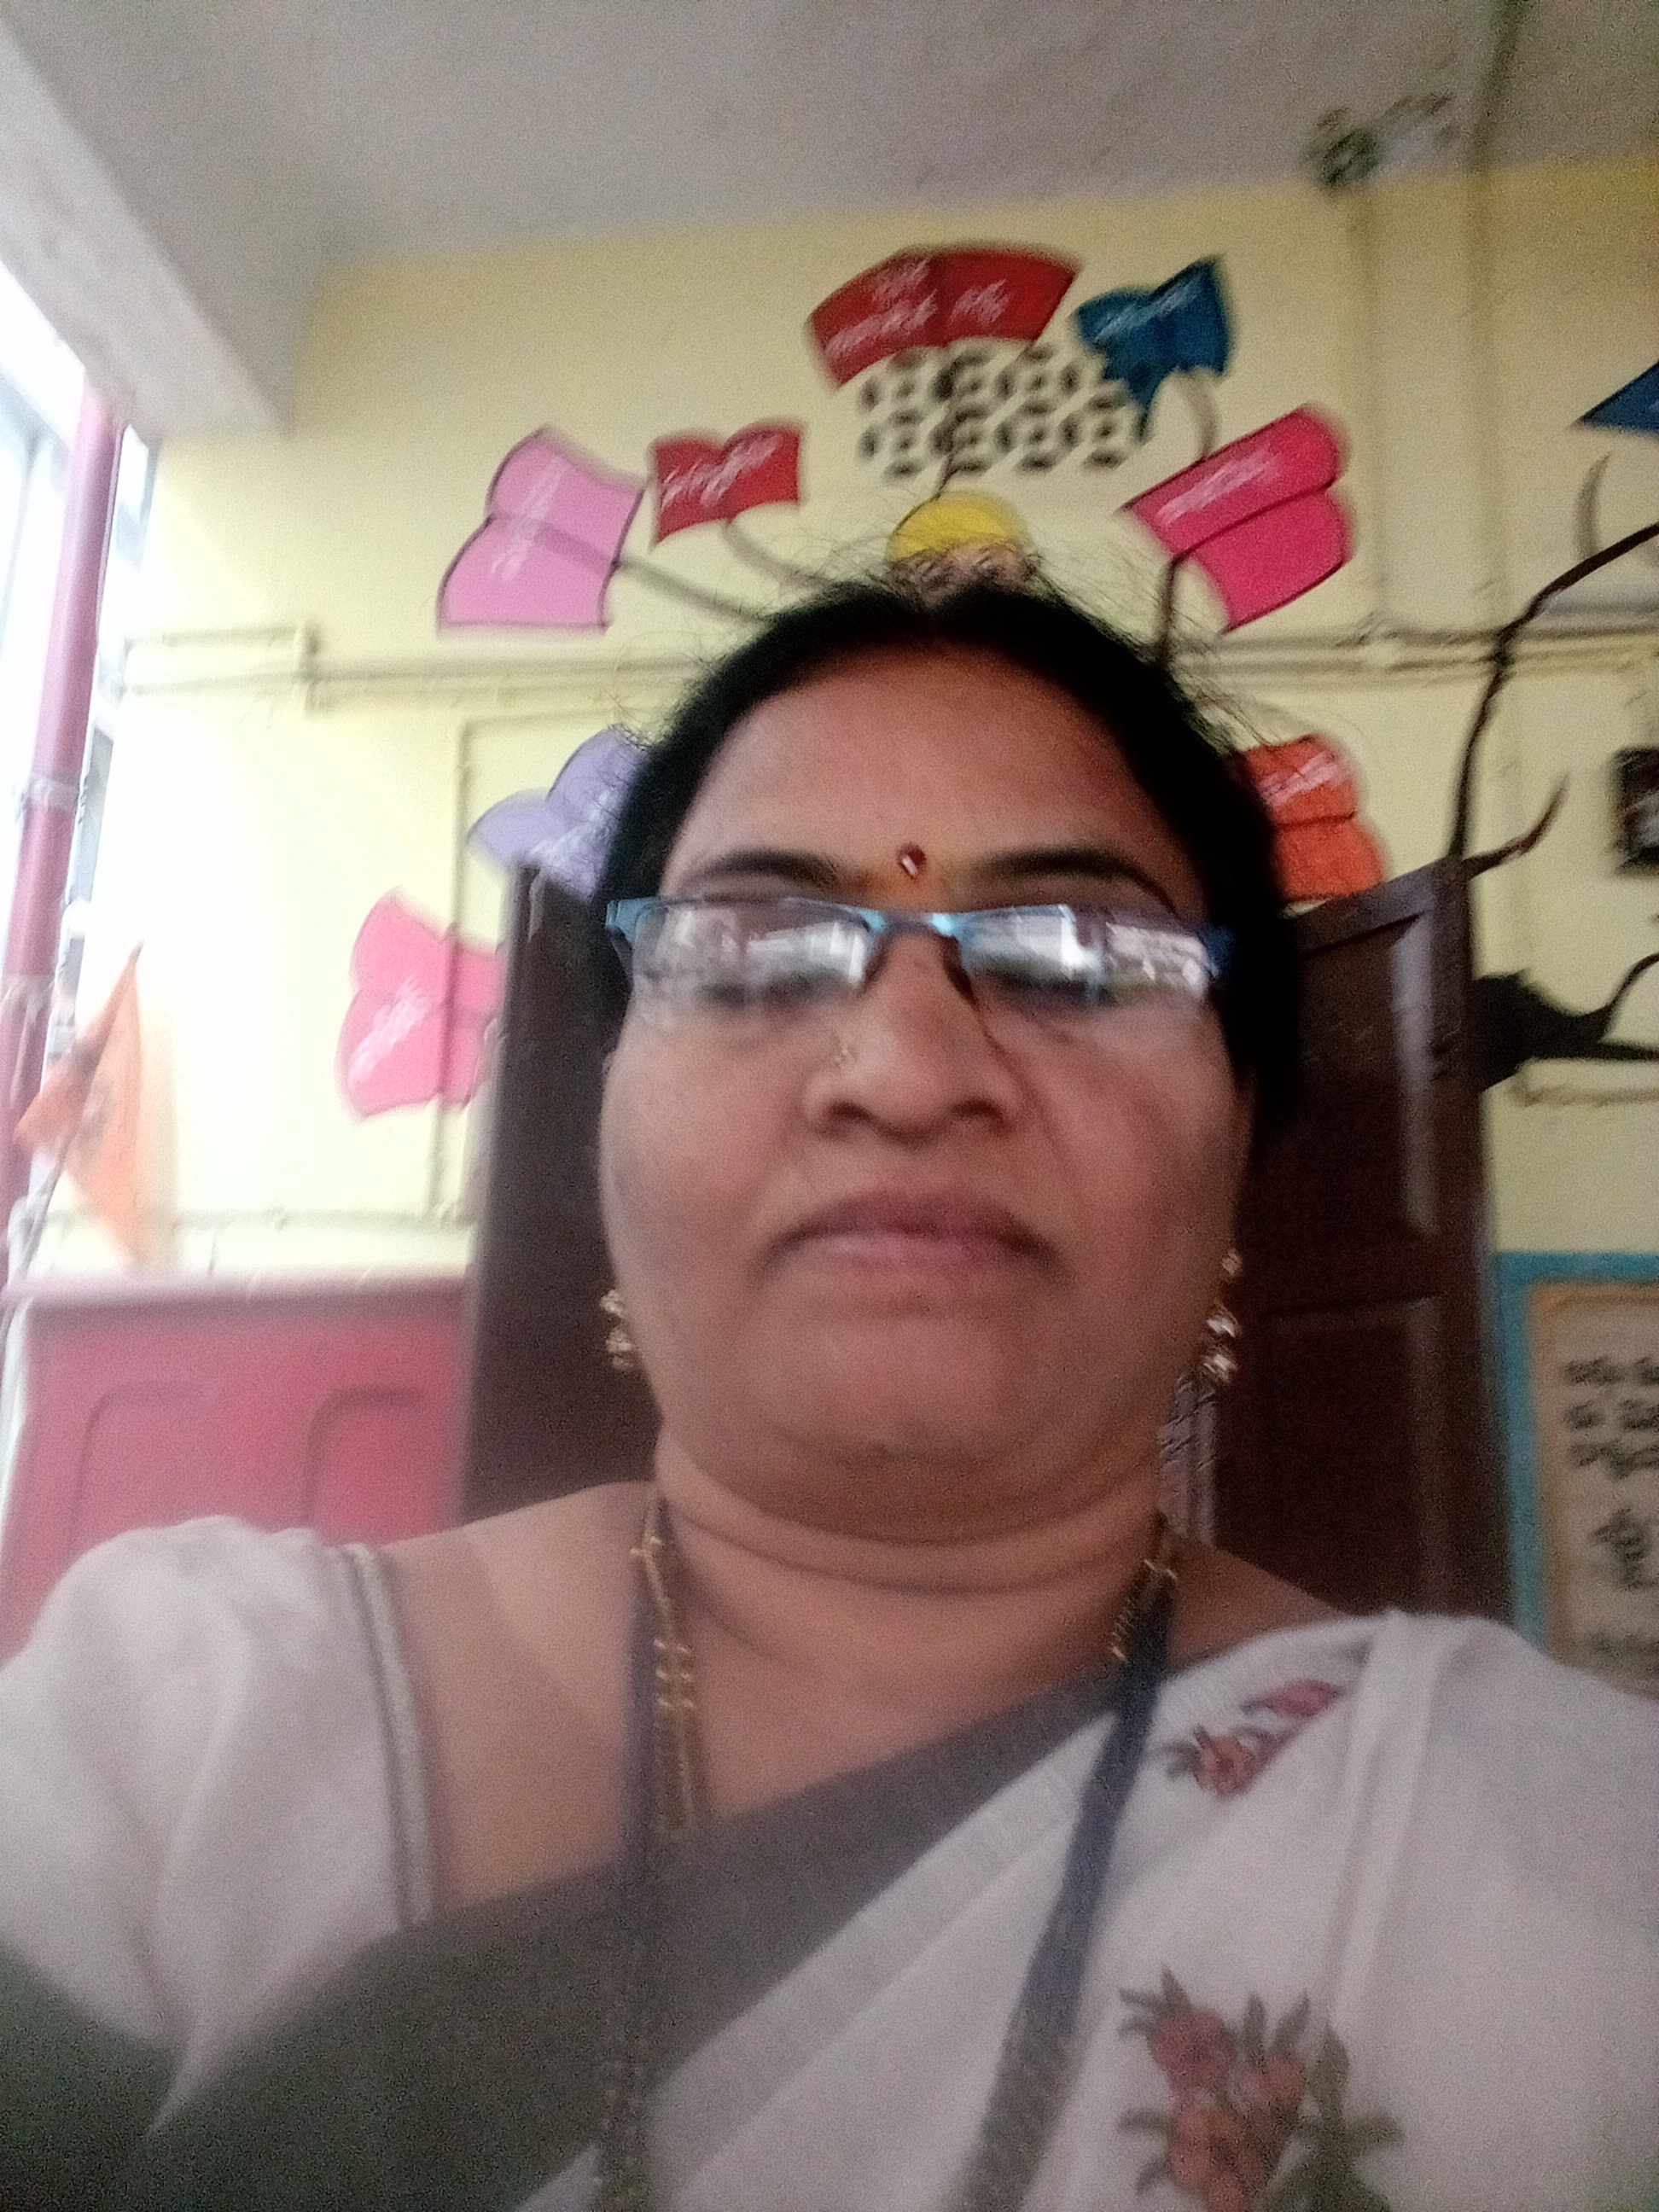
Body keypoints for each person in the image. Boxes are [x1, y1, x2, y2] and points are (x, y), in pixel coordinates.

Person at [1, 579, 1655, 2212]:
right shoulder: (184, 1739)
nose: (907, 1075)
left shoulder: (1544, 1857)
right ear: (608, 1120)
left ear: (1240, 1142)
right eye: (754, 951)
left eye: (1079, 954)